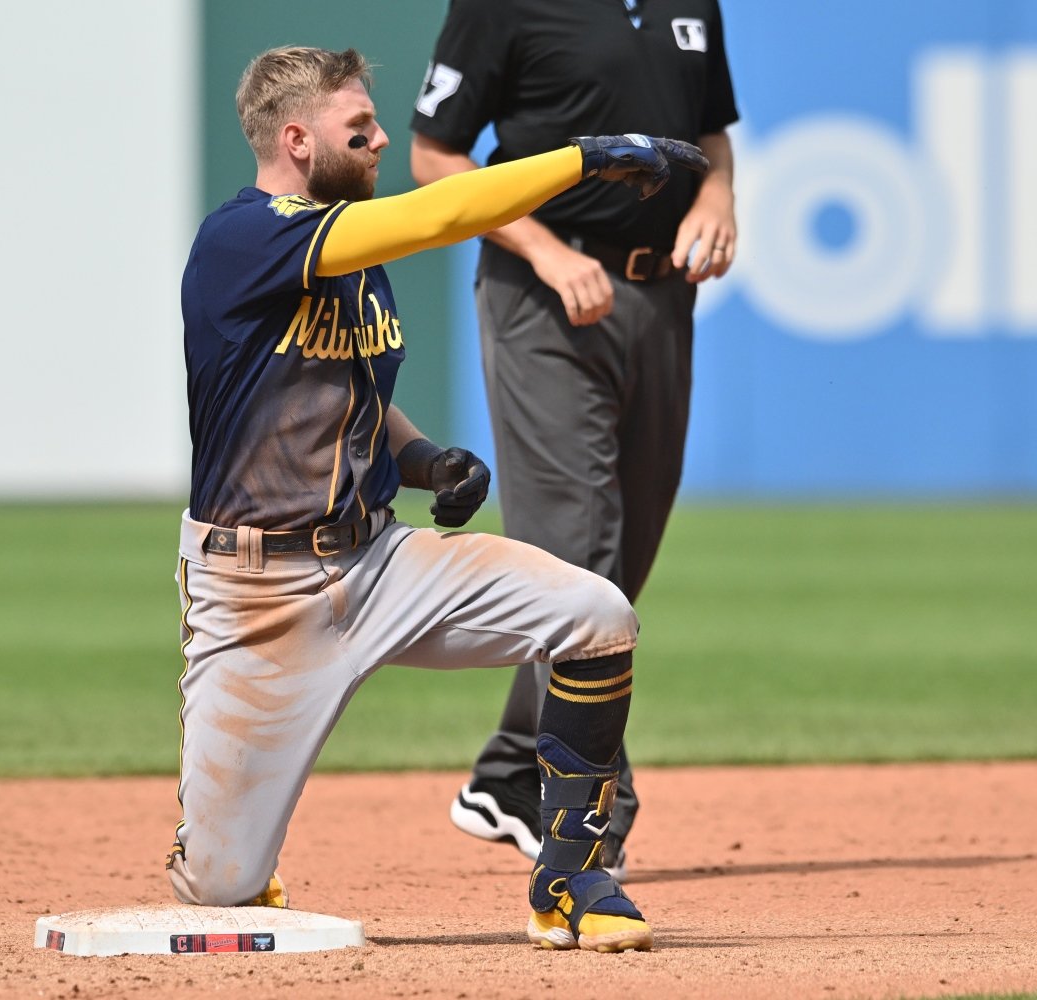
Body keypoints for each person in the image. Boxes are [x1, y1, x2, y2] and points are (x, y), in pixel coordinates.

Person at [165, 45, 707, 953]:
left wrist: (423, 460)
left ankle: (572, 875)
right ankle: (224, 851)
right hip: (258, 596)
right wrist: (584, 157)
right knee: (221, 888)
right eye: (358, 128)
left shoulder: (344, 254)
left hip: (377, 561)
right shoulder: (244, 237)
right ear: (296, 140)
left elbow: (343, 389)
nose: (382, 139)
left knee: (595, 613)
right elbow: (441, 213)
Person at [410, 0, 739, 880]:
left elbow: (709, 135)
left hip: (661, 295)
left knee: (627, 552)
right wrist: (548, 253)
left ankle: (511, 770)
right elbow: (435, 156)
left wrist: (719, 195)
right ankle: (584, 807)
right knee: (579, 548)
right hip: (543, 294)